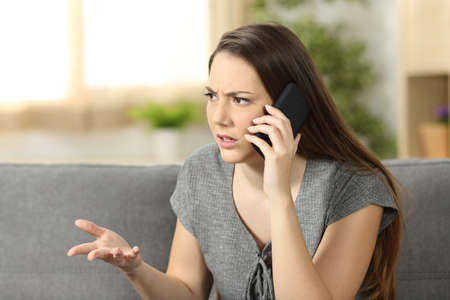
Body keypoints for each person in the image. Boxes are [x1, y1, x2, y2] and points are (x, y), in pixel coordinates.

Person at [67, 22, 404, 300]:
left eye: (240, 100)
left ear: (291, 107)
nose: (218, 117)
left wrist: (279, 194)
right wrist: (135, 269)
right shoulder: (203, 171)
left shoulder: (355, 186)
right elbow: (187, 291)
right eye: (212, 96)